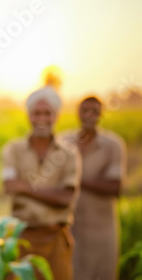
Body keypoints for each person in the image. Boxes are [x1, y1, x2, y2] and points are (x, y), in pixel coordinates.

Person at [1, 87, 80, 280]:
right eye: (37, 113)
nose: (42, 118)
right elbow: (10, 186)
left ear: (57, 116)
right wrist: (51, 192)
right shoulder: (13, 149)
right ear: (29, 116)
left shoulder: (69, 153)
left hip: (56, 238)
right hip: (21, 239)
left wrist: (25, 187)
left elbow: (65, 198)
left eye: (48, 113)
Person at [61, 96, 126, 280]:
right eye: (85, 111)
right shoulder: (64, 141)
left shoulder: (113, 145)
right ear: (77, 113)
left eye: (95, 111)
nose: (89, 115)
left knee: (103, 273)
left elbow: (115, 186)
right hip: (70, 226)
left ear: (101, 115)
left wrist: (75, 179)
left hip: (102, 228)